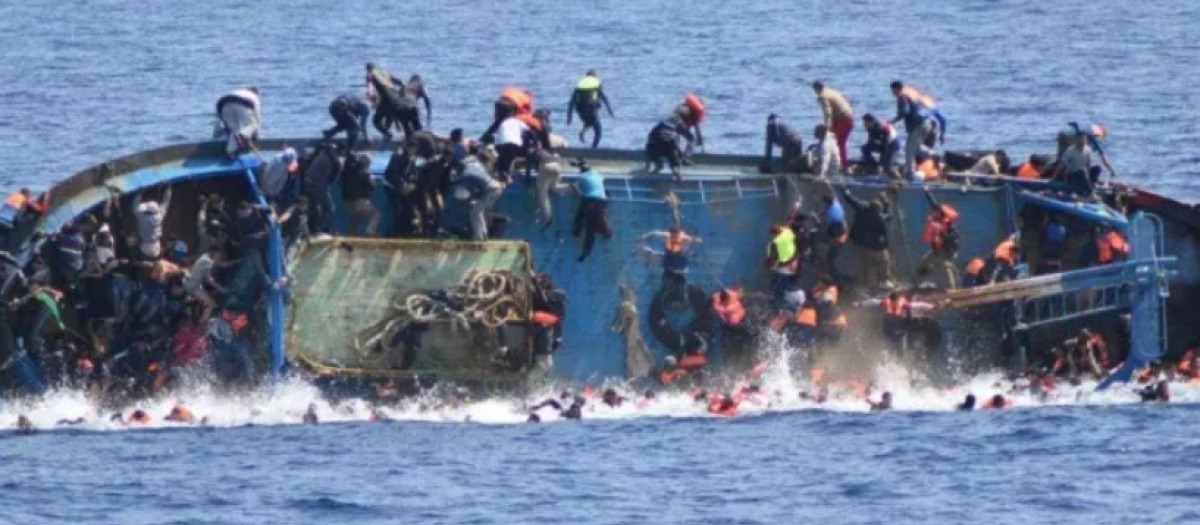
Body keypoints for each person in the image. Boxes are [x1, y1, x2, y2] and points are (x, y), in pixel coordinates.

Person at [840, 188, 892, 293]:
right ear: (878, 209)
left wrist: (844, 190)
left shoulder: (862, 208)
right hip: (877, 246)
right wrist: (887, 204)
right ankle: (884, 282)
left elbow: (851, 199)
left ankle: (870, 286)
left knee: (869, 265)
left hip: (863, 243)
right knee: (883, 263)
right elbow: (889, 216)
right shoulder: (879, 217)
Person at [454, 148, 504, 241]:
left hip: (492, 190)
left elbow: (469, 192)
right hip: (493, 189)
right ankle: (483, 235)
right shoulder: (473, 168)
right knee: (478, 210)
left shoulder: (467, 175)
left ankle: (479, 237)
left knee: (475, 211)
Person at [889, 81, 938, 175]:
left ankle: (910, 174)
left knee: (909, 149)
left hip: (918, 126)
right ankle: (933, 155)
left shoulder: (902, 97)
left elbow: (904, 111)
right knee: (917, 147)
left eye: (892, 90)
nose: (892, 93)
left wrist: (893, 121)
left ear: (897, 89)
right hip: (926, 124)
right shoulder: (909, 96)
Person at [638, 226, 702, 297]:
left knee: (683, 255)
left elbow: (694, 240)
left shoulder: (683, 238)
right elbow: (655, 233)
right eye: (672, 235)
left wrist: (696, 240)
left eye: (676, 235)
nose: (674, 237)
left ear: (678, 234)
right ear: (670, 234)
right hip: (668, 259)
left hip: (679, 261)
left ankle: (682, 292)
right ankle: (665, 289)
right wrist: (644, 236)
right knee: (648, 252)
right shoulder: (667, 235)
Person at [917, 188, 960, 288]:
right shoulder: (936, 219)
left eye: (935, 212)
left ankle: (952, 289)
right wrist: (927, 192)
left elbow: (954, 237)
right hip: (937, 250)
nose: (933, 213)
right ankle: (925, 280)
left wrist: (943, 235)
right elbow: (934, 204)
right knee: (923, 264)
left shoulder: (948, 224)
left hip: (947, 250)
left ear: (940, 213)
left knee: (946, 267)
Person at [571, 159, 611, 261]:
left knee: (580, 216)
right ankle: (587, 250)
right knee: (591, 227)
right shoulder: (598, 175)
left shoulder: (581, 177)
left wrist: (581, 195)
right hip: (602, 201)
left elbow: (574, 186)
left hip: (589, 200)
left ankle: (576, 232)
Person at [567, 70, 615, 148]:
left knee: (589, 121)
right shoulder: (596, 84)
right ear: (595, 76)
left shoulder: (579, 85)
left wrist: (569, 117)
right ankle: (593, 149)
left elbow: (571, 102)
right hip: (591, 108)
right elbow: (604, 98)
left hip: (580, 110)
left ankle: (583, 132)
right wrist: (610, 111)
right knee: (598, 131)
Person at [812, 81, 854, 167]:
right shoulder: (832, 91)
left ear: (816, 89)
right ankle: (842, 164)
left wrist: (827, 128)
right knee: (840, 143)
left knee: (836, 142)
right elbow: (846, 101)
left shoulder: (823, 96)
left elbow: (827, 113)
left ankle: (841, 165)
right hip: (849, 118)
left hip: (843, 120)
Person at [645, 112, 695, 180]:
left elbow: (650, 137)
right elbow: (691, 138)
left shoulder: (660, 125)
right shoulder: (678, 126)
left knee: (649, 146)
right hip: (669, 146)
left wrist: (647, 164)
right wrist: (684, 156)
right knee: (674, 154)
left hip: (656, 146)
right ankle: (676, 170)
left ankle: (658, 165)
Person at [340, 152, 379, 236]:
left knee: (355, 219)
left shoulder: (346, 172)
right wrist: (371, 178)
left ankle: (351, 237)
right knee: (375, 214)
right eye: (369, 163)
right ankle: (370, 231)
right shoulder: (365, 173)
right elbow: (372, 186)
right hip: (360, 203)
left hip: (347, 204)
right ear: (366, 163)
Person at [215, 87, 261, 156]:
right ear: (256, 94)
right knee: (252, 125)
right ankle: (242, 134)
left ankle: (230, 151)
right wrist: (256, 138)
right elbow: (257, 119)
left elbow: (218, 120)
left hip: (222, 104)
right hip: (241, 103)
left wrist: (216, 135)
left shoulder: (238, 92)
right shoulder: (255, 97)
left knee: (234, 130)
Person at [365, 63, 404, 142]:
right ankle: (389, 136)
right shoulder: (384, 73)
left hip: (387, 99)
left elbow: (370, 89)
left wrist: (371, 97)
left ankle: (388, 135)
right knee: (389, 116)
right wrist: (401, 94)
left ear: (367, 69)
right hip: (396, 98)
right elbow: (401, 82)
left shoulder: (370, 74)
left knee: (376, 121)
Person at [1054, 128, 1098, 195]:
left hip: (1083, 175)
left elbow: (1088, 164)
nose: (1083, 141)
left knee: (1097, 168)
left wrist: (1089, 176)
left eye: (1084, 139)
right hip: (1072, 176)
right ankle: (1091, 194)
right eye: (1081, 139)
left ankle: (1090, 185)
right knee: (1081, 172)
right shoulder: (1070, 151)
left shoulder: (1088, 150)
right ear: (1076, 140)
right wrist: (1053, 177)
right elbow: (1061, 165)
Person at [134, 185, 173, 260]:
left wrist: (139, 193)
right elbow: (166, 203)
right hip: (156, 246)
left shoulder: (142, 218)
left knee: (144, 263)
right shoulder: (160, 214)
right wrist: (169, 188)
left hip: (145, 247)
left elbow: (135, 208)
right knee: (155, 263)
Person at [764, 224, 799, 300]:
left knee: (779, 280)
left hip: (784, 263)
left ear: (774, 234)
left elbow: (772, 257)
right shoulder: (788, 231)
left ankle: (775, 294)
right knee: (785, 279)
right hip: (793, 257)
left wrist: (770, 264)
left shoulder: (775, 242)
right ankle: (780, 290)